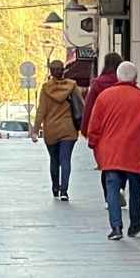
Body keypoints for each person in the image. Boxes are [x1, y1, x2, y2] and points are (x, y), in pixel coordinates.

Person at [86, 60, 140, 239]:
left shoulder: (105, 97)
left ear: (118, 76)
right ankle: (135, 222)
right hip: (135, 152)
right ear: (136, 77)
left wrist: (94, 143)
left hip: (110, 152)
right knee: (135, 188)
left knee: (112, 188)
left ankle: (116, 227)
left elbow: (94, 126)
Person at [30, 59, 84, 201]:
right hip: (69, 129)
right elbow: (81, 107)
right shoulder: (72, 86)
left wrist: (35, 130)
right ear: (63, 70)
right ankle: (64, 191)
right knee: (65, 160)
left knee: (54, 160)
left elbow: (41, 111)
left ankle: (55, 187)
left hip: (51, 130)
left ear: (51, 72)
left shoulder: (46, 88)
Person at [82, 52, 123, 169]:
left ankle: (107, 168)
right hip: (120, 124)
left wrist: (85, 129)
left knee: (106, 161)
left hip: (102, 126)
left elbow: (89, 107)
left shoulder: (98, 84)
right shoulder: (124, 83)